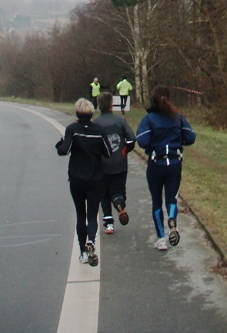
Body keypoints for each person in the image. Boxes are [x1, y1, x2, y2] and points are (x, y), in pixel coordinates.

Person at [136, 86, 196, 251]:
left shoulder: (149, 119)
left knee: (156, 200)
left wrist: (154, 143)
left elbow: (141, 140)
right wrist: (178, 141)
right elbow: (191, 137)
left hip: (156, 164)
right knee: (172, 198)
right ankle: (172, 219)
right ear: (169, 99)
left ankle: (161, 238)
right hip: (174, 164)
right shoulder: (179, 118)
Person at [56, 98, 111, 267]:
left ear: (77, 113)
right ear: (91, 113)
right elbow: (108, 153)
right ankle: (91, 242)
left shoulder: (72, 129)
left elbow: (63, 151)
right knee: (92, 214)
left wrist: (59, 143)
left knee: (81, 213)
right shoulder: (99, 130)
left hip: (77, 178)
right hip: (95, 178)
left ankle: (82, 253)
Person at [93, 91, 135, 234]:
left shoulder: (96, 123)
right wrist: (125, 150)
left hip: (102, 165)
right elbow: (131, 139)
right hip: (119, 162)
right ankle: (118, 202)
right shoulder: (120, 121)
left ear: (99, 106)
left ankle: (109, 223)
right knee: (118, 189)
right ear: (112, 106)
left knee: (103, 194)